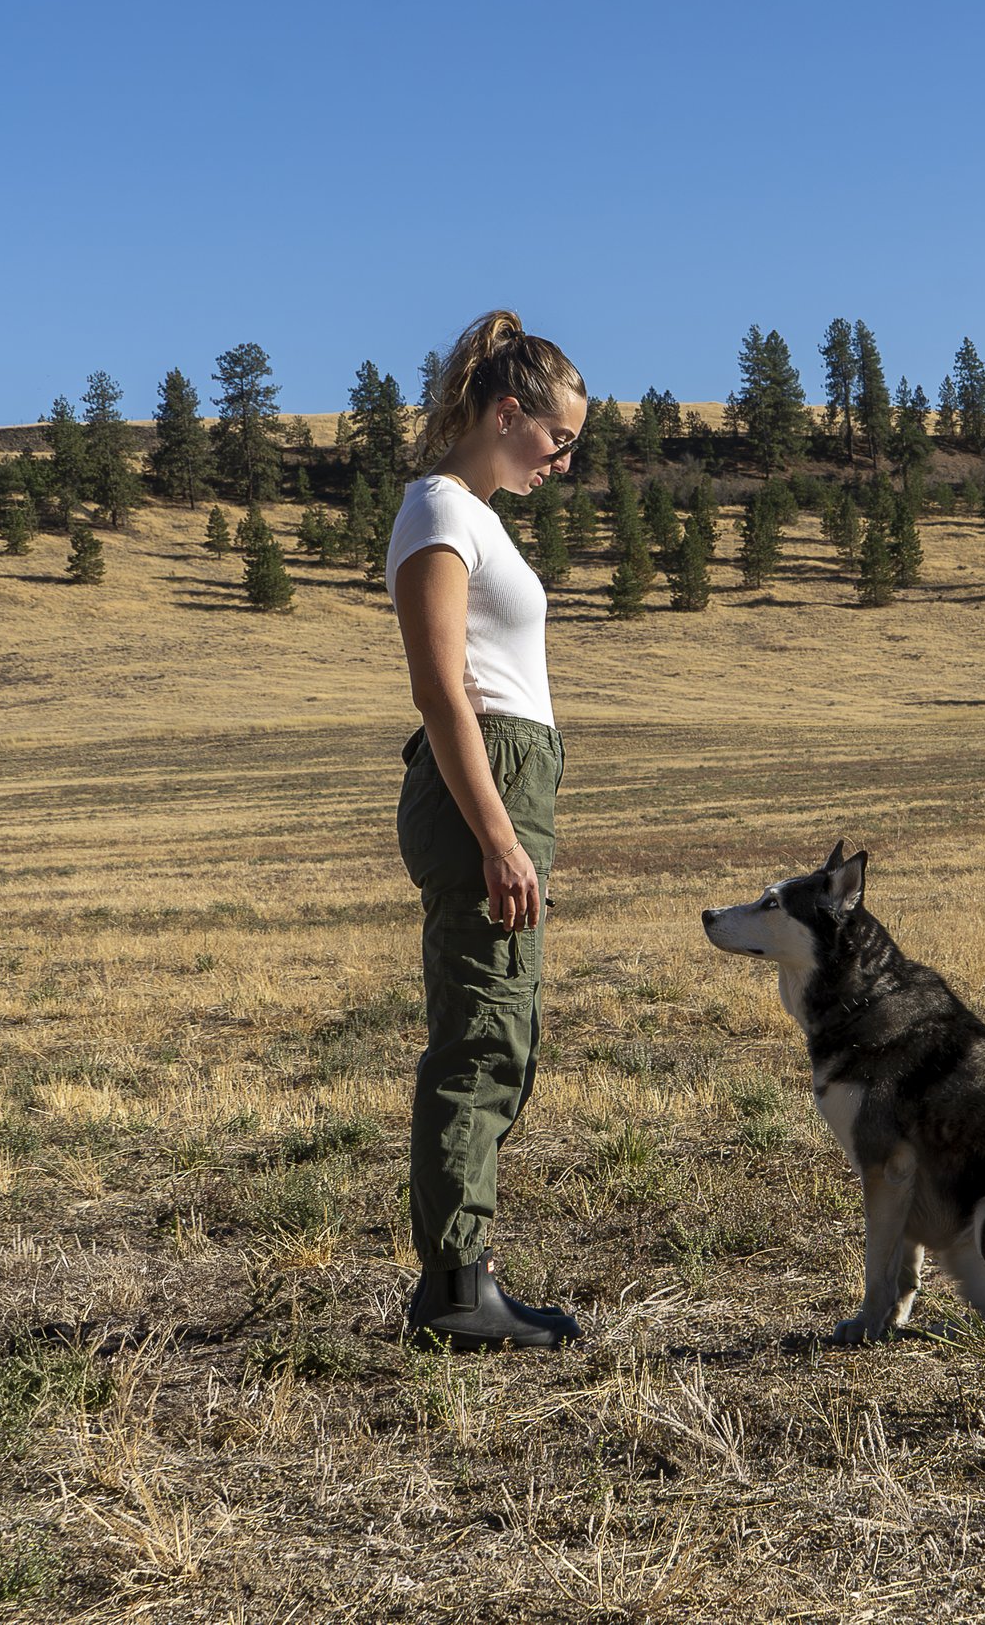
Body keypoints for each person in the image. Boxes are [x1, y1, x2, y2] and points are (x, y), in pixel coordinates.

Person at [386, 309, 589, 1349]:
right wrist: (501, 836)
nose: (564, 460)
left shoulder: (476, 513)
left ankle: (465, 1275)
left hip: (506, 780)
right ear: (508, 412)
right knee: (480, 1031)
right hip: (482, 788)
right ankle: (457, 1288)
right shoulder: (438, 509)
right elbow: (439, 689)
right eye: (559, 439)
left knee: (503, 1029)